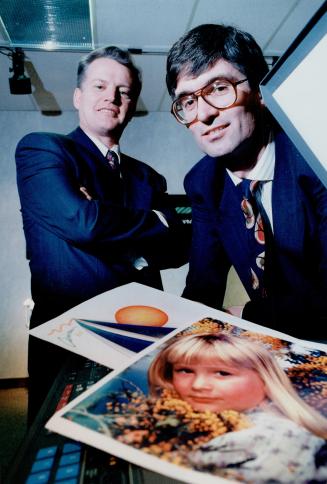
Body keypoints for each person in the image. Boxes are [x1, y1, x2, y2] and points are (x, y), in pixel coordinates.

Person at [16, 46, 188, 422]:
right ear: (79, 96)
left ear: (131, 103)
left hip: (142, 335)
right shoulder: (44, 151)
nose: (112, 96)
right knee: (60, 455)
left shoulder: (147, 176)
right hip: (69, 338)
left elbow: (178, 248)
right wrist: (154, 222)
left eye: (123, 91)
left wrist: (116, 230)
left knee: (138, 441)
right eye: (99, 86)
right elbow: (83, 222)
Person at [166, 24, 327, 339]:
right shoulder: (202, 183)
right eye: (187, 101)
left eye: (219, 88)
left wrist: (245, 316)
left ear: (259, 93)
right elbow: (201, 286)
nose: (204, 114)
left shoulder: (315, 156)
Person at [148, 332, 327, 482]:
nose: (198, 384)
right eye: (185, 371)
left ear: (265, 380)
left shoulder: (273, 436)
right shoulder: (185, 423)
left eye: (223, 373)